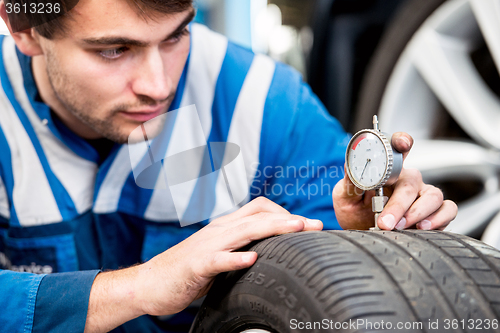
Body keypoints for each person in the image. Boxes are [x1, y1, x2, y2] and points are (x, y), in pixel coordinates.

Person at [0, 0, 457, 332]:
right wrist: (138, 287)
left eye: (177, 34)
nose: (158, 86)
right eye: (114, 50)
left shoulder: (259, 100)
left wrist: (364, 238)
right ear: (23, 29)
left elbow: (339, 268)